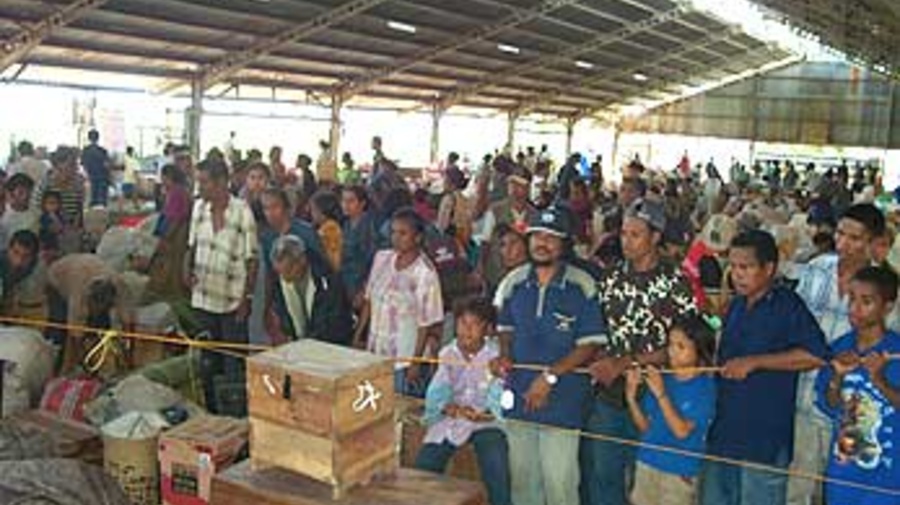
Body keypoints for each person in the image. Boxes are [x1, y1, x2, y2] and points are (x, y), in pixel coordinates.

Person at [700, 230, 829, 505]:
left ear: (769, 268)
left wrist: (756, 362)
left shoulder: (786, 305)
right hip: (725, 432)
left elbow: (816, 355)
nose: (737, 275)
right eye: (733, 267)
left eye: (745, 267)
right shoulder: (735, 306)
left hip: (763, 439)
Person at [586, 198, 697, 505]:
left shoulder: (676, 282)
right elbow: (598, 331)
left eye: (635, 234)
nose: (626, 241)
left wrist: (627, 362)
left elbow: (686, 347)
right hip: (610, 396)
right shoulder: (609, 278)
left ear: (656, 236)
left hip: (655, 398)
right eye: (623, 233)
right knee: (603, 477)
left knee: (645, 484)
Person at [492, 207, 605, 505]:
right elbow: (505, 328)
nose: (542, 243)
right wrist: (503, 355)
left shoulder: (582, 285)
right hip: (518, 395)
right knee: (522, 483)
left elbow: (590, 345)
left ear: (564, 243)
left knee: (560, 486)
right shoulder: (513, 282)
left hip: (563, 402)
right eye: (537, 235)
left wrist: (550, 376)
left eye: (551, 238)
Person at [789, 203, 885, 505]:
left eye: (855, 238)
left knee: (844, 490)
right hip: (803, 399)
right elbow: (794, 324)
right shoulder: (817, 269)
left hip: (854, 412)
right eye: (841, 234)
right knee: (798, 489)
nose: (844, 243)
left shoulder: (884, 289)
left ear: (873, 243)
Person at [814, 266, 899, 505]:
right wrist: (838, 377)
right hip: (844, 474)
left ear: (888, 306)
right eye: (852, 299)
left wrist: (879, 380)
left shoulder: (895, 353)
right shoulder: (840, 347)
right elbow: (829, 405)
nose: (855, 309)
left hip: (889, 478)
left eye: (866, 301)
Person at [414, 297, 511, 505]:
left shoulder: (495, 356)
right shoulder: (447, 353)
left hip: (486, 422)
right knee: (425, 463)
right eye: (463, 323)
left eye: (475, 324)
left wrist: (488, 413)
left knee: (496, 460)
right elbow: (437, 392)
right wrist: (449, 407)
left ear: (486, 328)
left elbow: (501, 394)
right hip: (454, 419)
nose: (467, 330)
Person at [187, 158, 258, 417]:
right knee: (207, 362)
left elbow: (252, 259)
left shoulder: (242, 211)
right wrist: (187, 269)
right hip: (204, 297)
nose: (200, 187)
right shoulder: (198, 209)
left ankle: (237, 416)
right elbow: (191, 246)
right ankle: (212, 412)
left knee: (233, 362)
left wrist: (247, 298)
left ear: (220, 182)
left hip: (232, 301)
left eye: (204, 181)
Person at [625, 314, 717, 505]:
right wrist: (631, 398)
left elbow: (681, 431)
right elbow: (645, 428)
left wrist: (661, 394)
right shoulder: (664, 378)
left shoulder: (704, 388)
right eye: (670, 344)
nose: (672, 352)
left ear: (699, 351)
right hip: (647, 463)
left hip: (678, 473)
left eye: (681, 346)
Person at [353, 207, 444, 396]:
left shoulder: (424, 273)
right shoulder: (382, 259)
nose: (396, 237)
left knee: (400, 411)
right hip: (376, 351)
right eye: (393, 232)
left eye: (403, 233)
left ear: (417, 237)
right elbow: (369, 301)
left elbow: (426, 324)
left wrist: (415, 362)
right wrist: (358, 335)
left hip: (404, 357)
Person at [46, 253, 137, 373]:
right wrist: (88, 368)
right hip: (57, 281)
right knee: (59, 334)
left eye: (100, 309)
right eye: (94, 309)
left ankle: (99, 361)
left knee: (101, 330)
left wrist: (129, 359)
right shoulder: (79, 295)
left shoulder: (120, 287)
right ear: (89, 300)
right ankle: (55, 370)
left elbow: (129, 325)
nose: (95, 313)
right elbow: (75, 335)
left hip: (86, 267)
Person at [269, 234, 353, 345]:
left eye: (288, 271)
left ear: (302, 260)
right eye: (280, 272)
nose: (284, 277)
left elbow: (333, 323)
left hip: (330, 345)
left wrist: (307, 344)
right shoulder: (279, 281)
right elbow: (282, 314)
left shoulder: (328, 280)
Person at [339, 185, 377, 306]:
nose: (345, 205)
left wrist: (364, 290)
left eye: (351, 201)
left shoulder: (369, 226)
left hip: (361, 284)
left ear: (362, 204)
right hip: (346, 282)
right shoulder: (346, 224)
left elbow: (372, 260)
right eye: (343, 200)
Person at [0, 229, 39, 307]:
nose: (18, 261)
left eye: (26, 256)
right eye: (15, 252)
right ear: (8, 249)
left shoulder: (34, 263)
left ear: (34, 256)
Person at [309, 190, 343, 272]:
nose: (311, 213)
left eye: (313, 210)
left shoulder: (329, 228)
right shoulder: (329, 226)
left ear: (322, 212)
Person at [2, 174, 38, 241]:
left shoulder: (36, 213)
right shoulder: (4, 214)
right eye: (21, 193)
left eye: (30, 192)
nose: (26, 197)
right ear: (11, 193)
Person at [81, 129, 110, 207]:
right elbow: (106, 165)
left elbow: (83, 166)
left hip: (90, 179)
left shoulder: (85, 151)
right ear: (98, 138)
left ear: (88, 138)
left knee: (92, 202)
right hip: (102, 178)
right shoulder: (103, 151)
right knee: (101, 203)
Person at [38, 191, 64, 262]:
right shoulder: (43, 217)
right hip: (46, 243)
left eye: (55, 203)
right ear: (44, 204)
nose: (53, 206)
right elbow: (49, 228)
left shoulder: (60, 216)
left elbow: (62, 228)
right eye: (50, 203)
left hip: (57, 243)